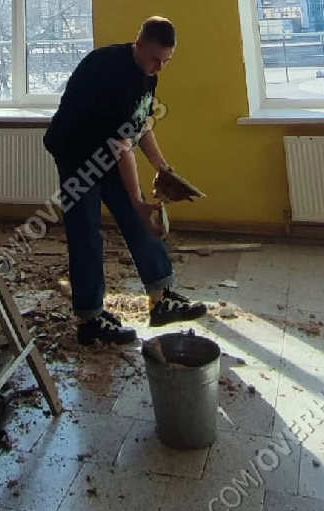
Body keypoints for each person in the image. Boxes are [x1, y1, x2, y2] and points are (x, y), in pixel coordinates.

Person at [42, 17, 209, 346]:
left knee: (140, 218)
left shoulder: (147, 73)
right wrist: (137, 201)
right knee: (86, 233)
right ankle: (90, 319)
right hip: (77, 155)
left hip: (108, 150)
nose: (160, 67)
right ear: (139, 43)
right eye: (155, 59)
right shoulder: (110, 71)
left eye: (167, 61)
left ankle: (161, 299)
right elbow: (122, 147)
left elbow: (141, 125)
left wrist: (164, 168)